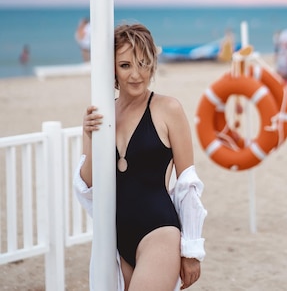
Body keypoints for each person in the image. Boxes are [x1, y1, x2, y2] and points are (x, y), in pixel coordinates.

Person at [73, 23, 206, 291]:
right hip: (116, 240)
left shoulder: (168, 109)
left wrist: (191, 251)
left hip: (159, 232)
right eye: (125, 65)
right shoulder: (103, 114)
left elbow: (187, 182)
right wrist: (88, 134)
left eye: (143, 63)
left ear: (153, 64)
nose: (136, 74)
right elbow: (89, 187)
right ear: (113, 68)